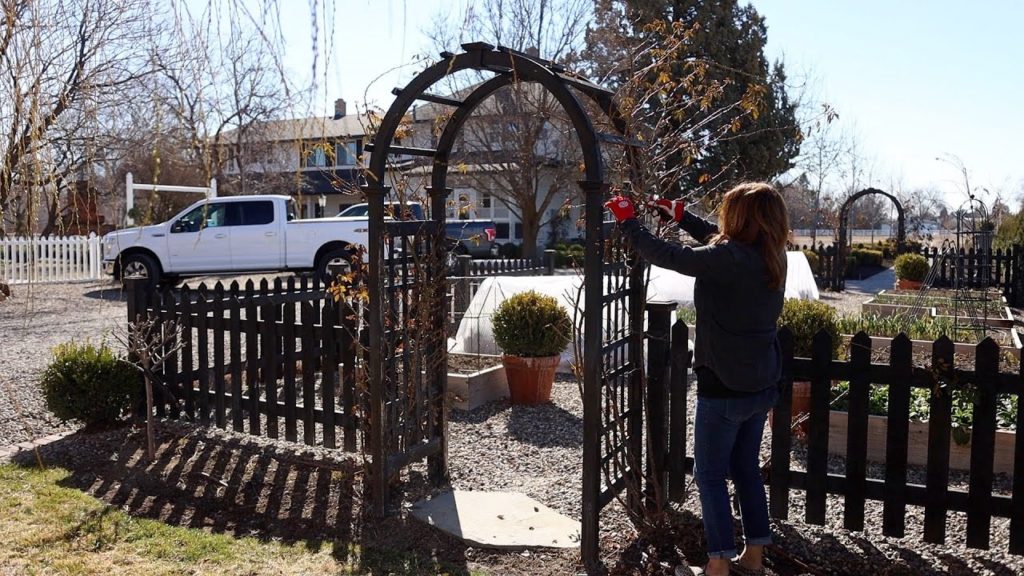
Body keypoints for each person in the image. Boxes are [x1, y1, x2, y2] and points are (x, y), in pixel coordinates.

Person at [604, 182, 789, 576]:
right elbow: (718, 244)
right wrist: (682, 216)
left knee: (709, 476)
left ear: (739, 219)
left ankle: (718, 563)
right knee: (745, 469)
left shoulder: (729, 257)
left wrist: (628, 222)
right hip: (760, 386)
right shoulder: (773, 255)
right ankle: (754, 557)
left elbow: (668, 255)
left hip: (723, 388)